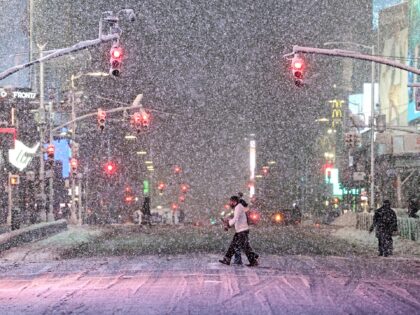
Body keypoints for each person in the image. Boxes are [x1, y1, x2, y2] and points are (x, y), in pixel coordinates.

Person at [219, 196, 259, 267]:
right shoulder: (238, 207)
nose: (230, 203)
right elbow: (236, 218)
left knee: (244, 247)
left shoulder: (238, 207)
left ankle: (253, 259)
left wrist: (228, 224)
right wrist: (229, 222)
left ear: (234, 202)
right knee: (234, 245)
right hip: (240, 231)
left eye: (230, 202)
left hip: (242, 231)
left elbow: (235, 218)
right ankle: (227, 259)